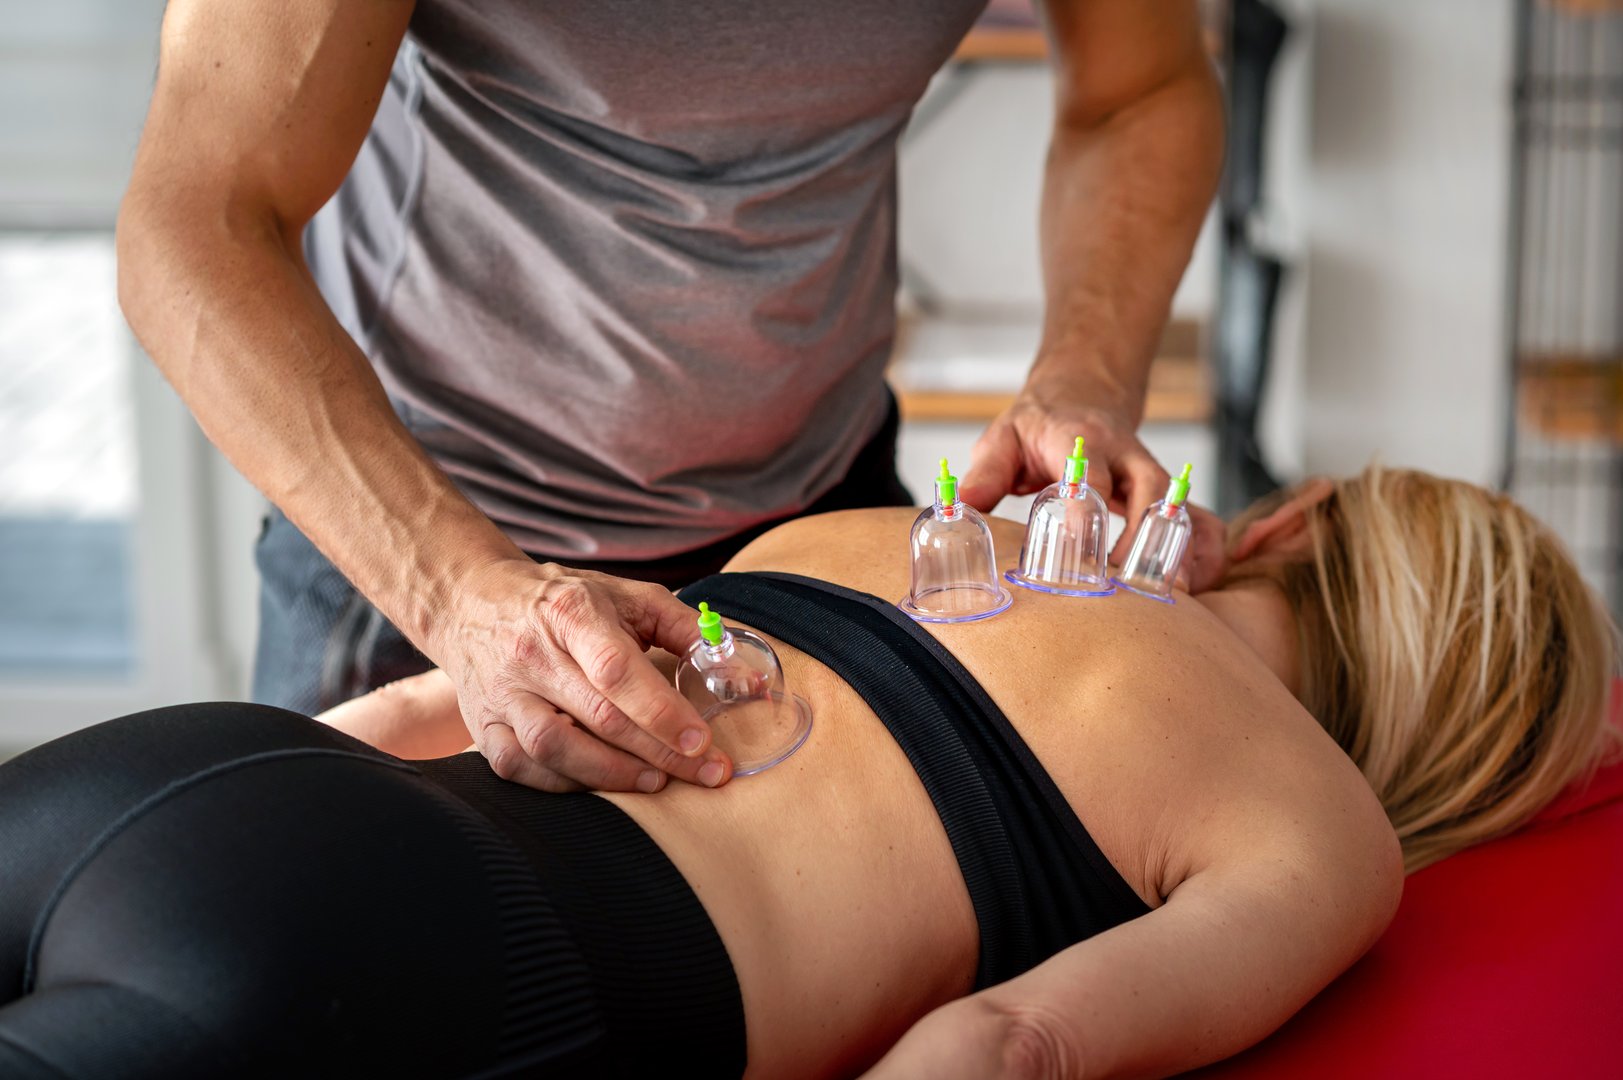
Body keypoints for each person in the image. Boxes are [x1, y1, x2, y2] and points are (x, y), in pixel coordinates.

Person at [0, 467, 1613, 1078]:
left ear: (1294, 520)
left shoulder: (927, 537)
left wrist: (245, 825)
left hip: (222, 788)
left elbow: (442, 712)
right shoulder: (1321, 838)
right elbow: (1002, 1050)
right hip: (439, 975)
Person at [115, 0, 1228, 793]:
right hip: (429, 547)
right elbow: (196, 226)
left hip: (822, 506)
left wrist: (1082, 372)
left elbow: (1142, 93)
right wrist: (460, 596)